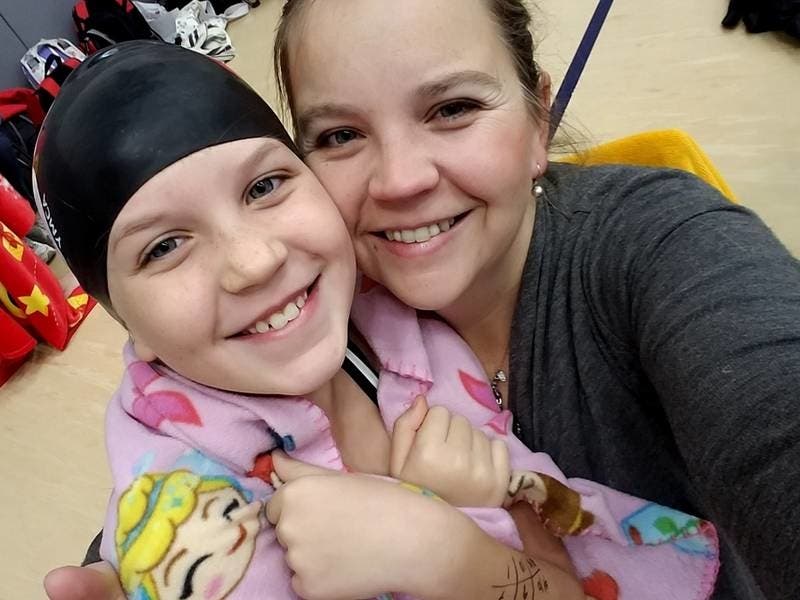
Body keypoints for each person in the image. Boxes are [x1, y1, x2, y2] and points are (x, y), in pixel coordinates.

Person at [46, 0, 800, 598]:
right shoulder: (329, 318)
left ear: (539, 117)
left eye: (452, 109)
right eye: (340, 135)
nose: (402, 180)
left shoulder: (665, 252)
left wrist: (453, 556)